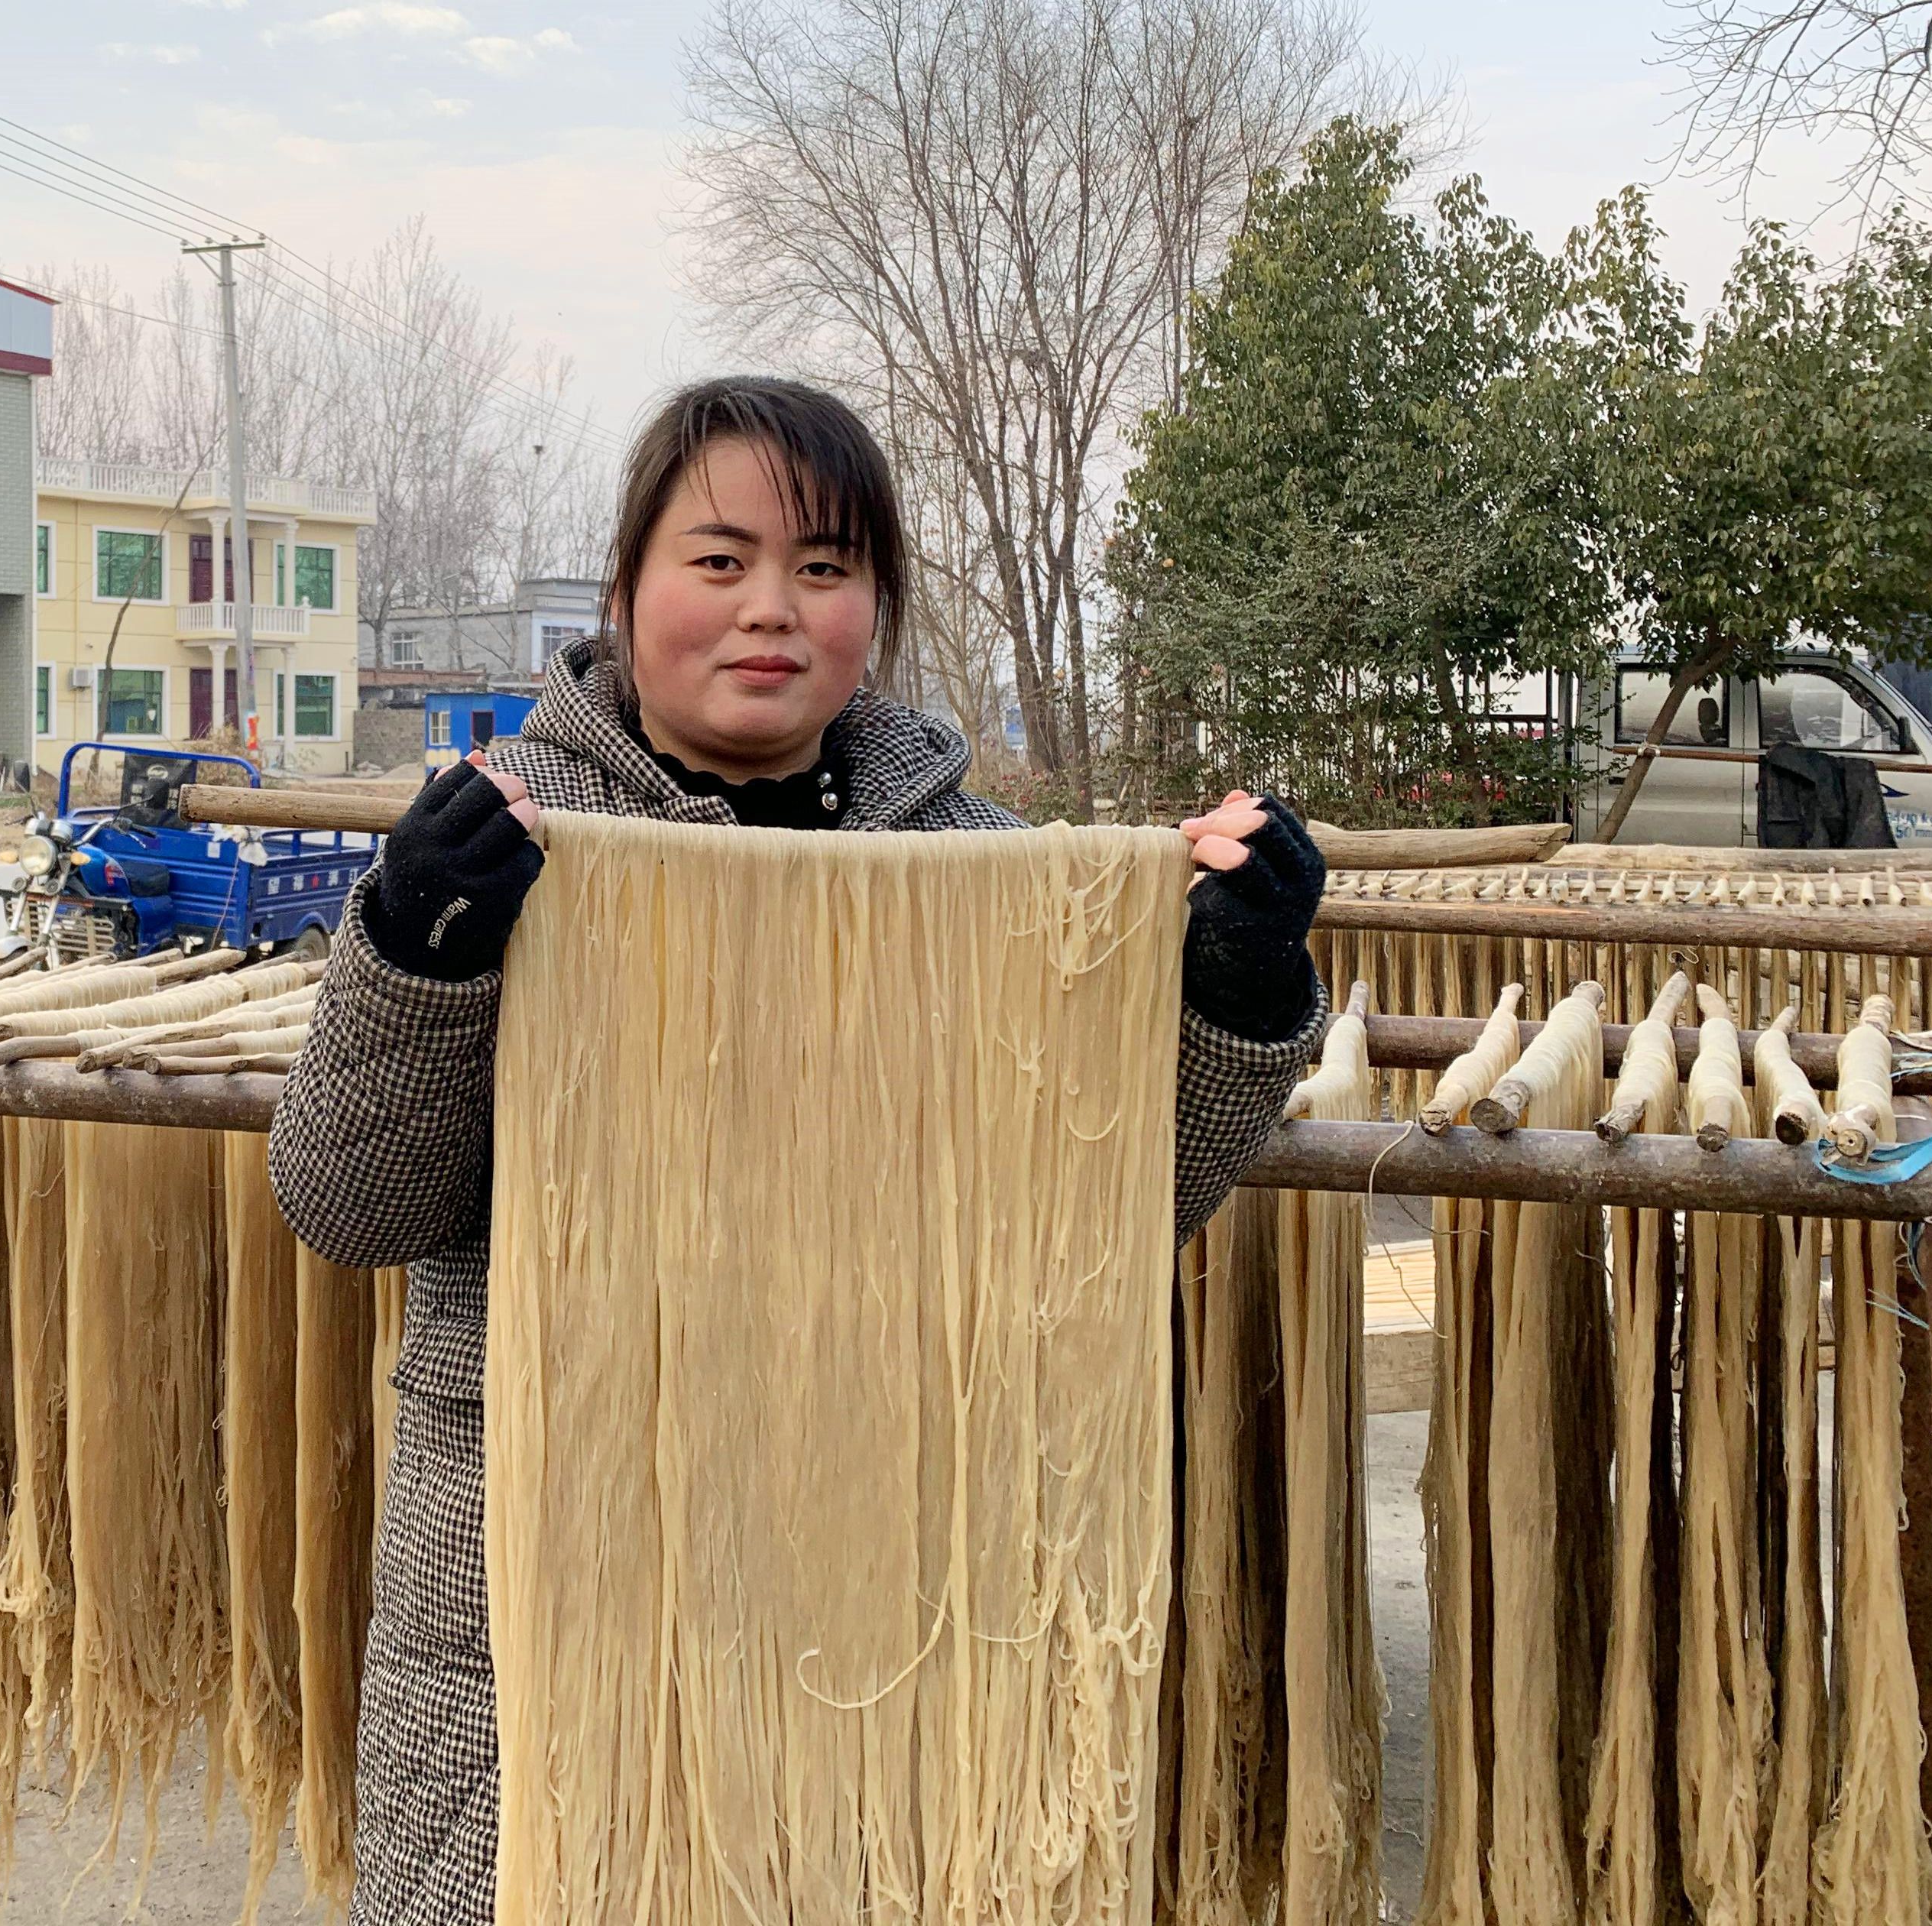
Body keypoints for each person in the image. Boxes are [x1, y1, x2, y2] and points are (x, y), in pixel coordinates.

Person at [266, 375, 1327, 1926]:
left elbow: (1103, 1211)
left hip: (896, 1586)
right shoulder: (502, 842)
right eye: (719, 559)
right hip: (552, 1593)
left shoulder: (987, 882)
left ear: (876, 610)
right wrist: (419, 953)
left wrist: (1235, 995)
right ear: (624, 590)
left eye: (825, 569)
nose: (771, 608)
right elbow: (348, 1204)